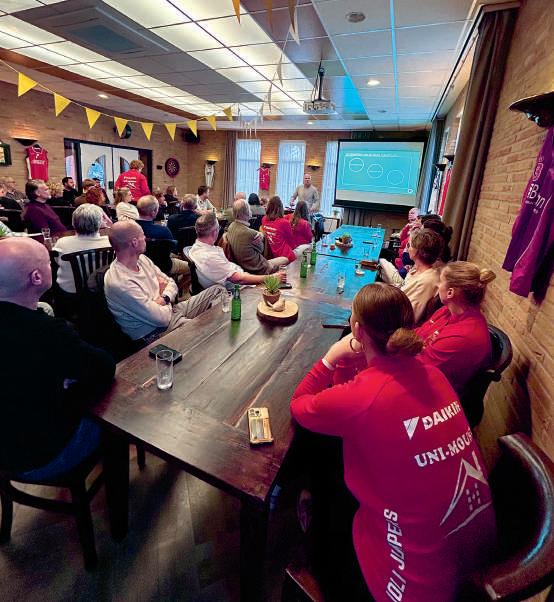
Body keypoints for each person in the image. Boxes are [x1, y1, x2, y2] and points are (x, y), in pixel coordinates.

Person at [291, 283, 496, 602]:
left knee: (326, 477)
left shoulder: (364, 397)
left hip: (412, 584)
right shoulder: (433, 374)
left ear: (357, 330)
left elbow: (301, 404)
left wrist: (332, 357)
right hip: (477, 564)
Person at [0, 237, 115, 477]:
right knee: (115, 415)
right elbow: (105, 367)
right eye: (48, 263)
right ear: (36, 277)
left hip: (7, 447)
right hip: (39, 457)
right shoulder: (46, 331)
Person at [104, 221, 222, 343]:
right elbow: (162, 320)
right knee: (210, 333)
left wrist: (161, 299)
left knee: (218, 290)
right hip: (156, 332)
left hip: (171, 311)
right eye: (142, 235)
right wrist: (166, 298)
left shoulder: (142, 259)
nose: (146, 238)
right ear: (134, 242)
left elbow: (171, 283)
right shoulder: (120, 282)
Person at [416, 261, 496, 395]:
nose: (437, 285)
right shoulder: (446, 311)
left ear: (450, 292)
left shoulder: (464, 336)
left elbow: (419, 372)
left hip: (433, 393)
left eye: (440, 282)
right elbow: (419, 334)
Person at [189, 212, 286, 289]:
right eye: (219, 228)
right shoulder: (209, 257)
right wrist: (271, 278)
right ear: (215, 232)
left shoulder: (194, 248)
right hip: (236, 289)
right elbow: (240, 279)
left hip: (240, 277)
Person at [379, 229, 444, 324]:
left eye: (409, 245)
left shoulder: (426, 282)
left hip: (391, 319)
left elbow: (408, 318)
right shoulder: (420, 268)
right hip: (394, 301)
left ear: (417, 251)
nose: (407, 248)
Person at [53, 204, 111, 294]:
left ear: (73, 222)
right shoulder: (110, 242)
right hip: (102, 288)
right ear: (100, 223)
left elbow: (57, 261)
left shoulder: (62, 243)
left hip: (70, 291)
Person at [226, 199, 288, 275]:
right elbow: (261, 249)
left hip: (241, 266)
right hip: (258, 268)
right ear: (247, 212)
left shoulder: (231, 226)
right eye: (249, 209)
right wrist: (260, 235)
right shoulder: (251, 234)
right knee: (285, 259)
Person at [136, 195, 189, 278]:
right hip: (163, 265)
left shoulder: (129, 229)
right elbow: (173, 248)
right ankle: (176, 284)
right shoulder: (163, 230)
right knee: (192, 267)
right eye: (158, 209)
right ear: (153, 212)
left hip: (139, 265)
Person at [261, 196, 297, 262]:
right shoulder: (284, 223)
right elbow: (291, 243)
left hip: (270, 256)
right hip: (285, 256)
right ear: (281, 208)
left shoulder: (264, 219)